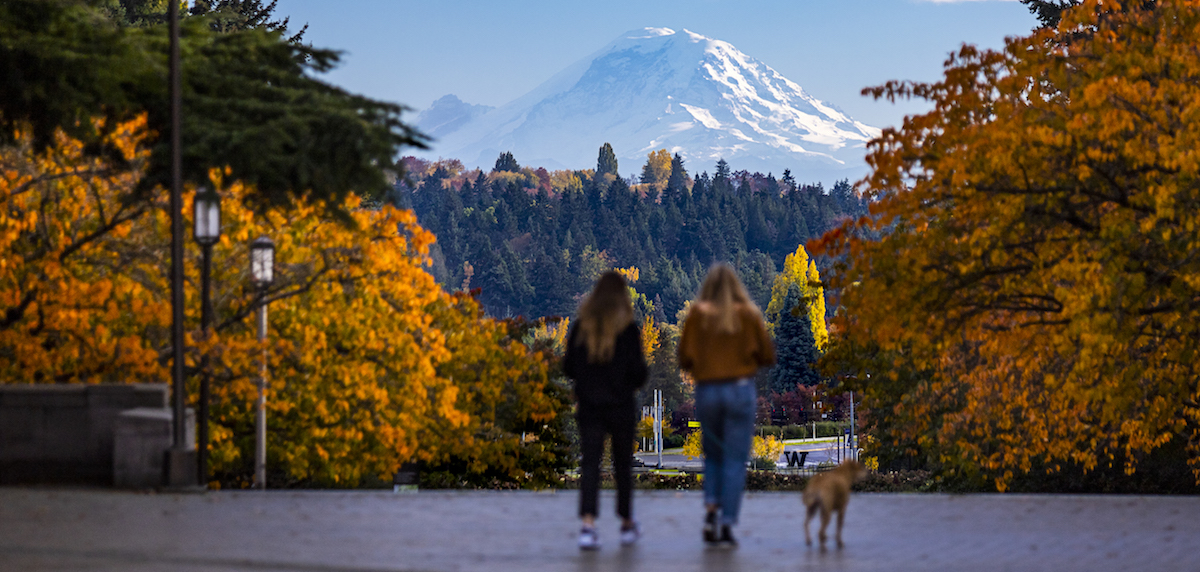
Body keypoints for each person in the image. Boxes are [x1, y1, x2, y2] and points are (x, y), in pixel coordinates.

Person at [677, 264, 775, 548]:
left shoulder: (697, 316)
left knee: (714, 455)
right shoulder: (748, 315)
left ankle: (710, 509)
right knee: (734, 459)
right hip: (739, 390)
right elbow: (767, 354)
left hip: (708, 391)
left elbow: (684, 357)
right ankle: (728, 522)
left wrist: (705, 365)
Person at [563, 271, 648, 550]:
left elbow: (568, 367)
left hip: (589, 406)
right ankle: (626, 522)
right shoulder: (628, 331)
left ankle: (588, 525)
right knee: (622, 466)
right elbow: (638, 373)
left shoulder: (581, 328)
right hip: (621, 406)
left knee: (590, 465)